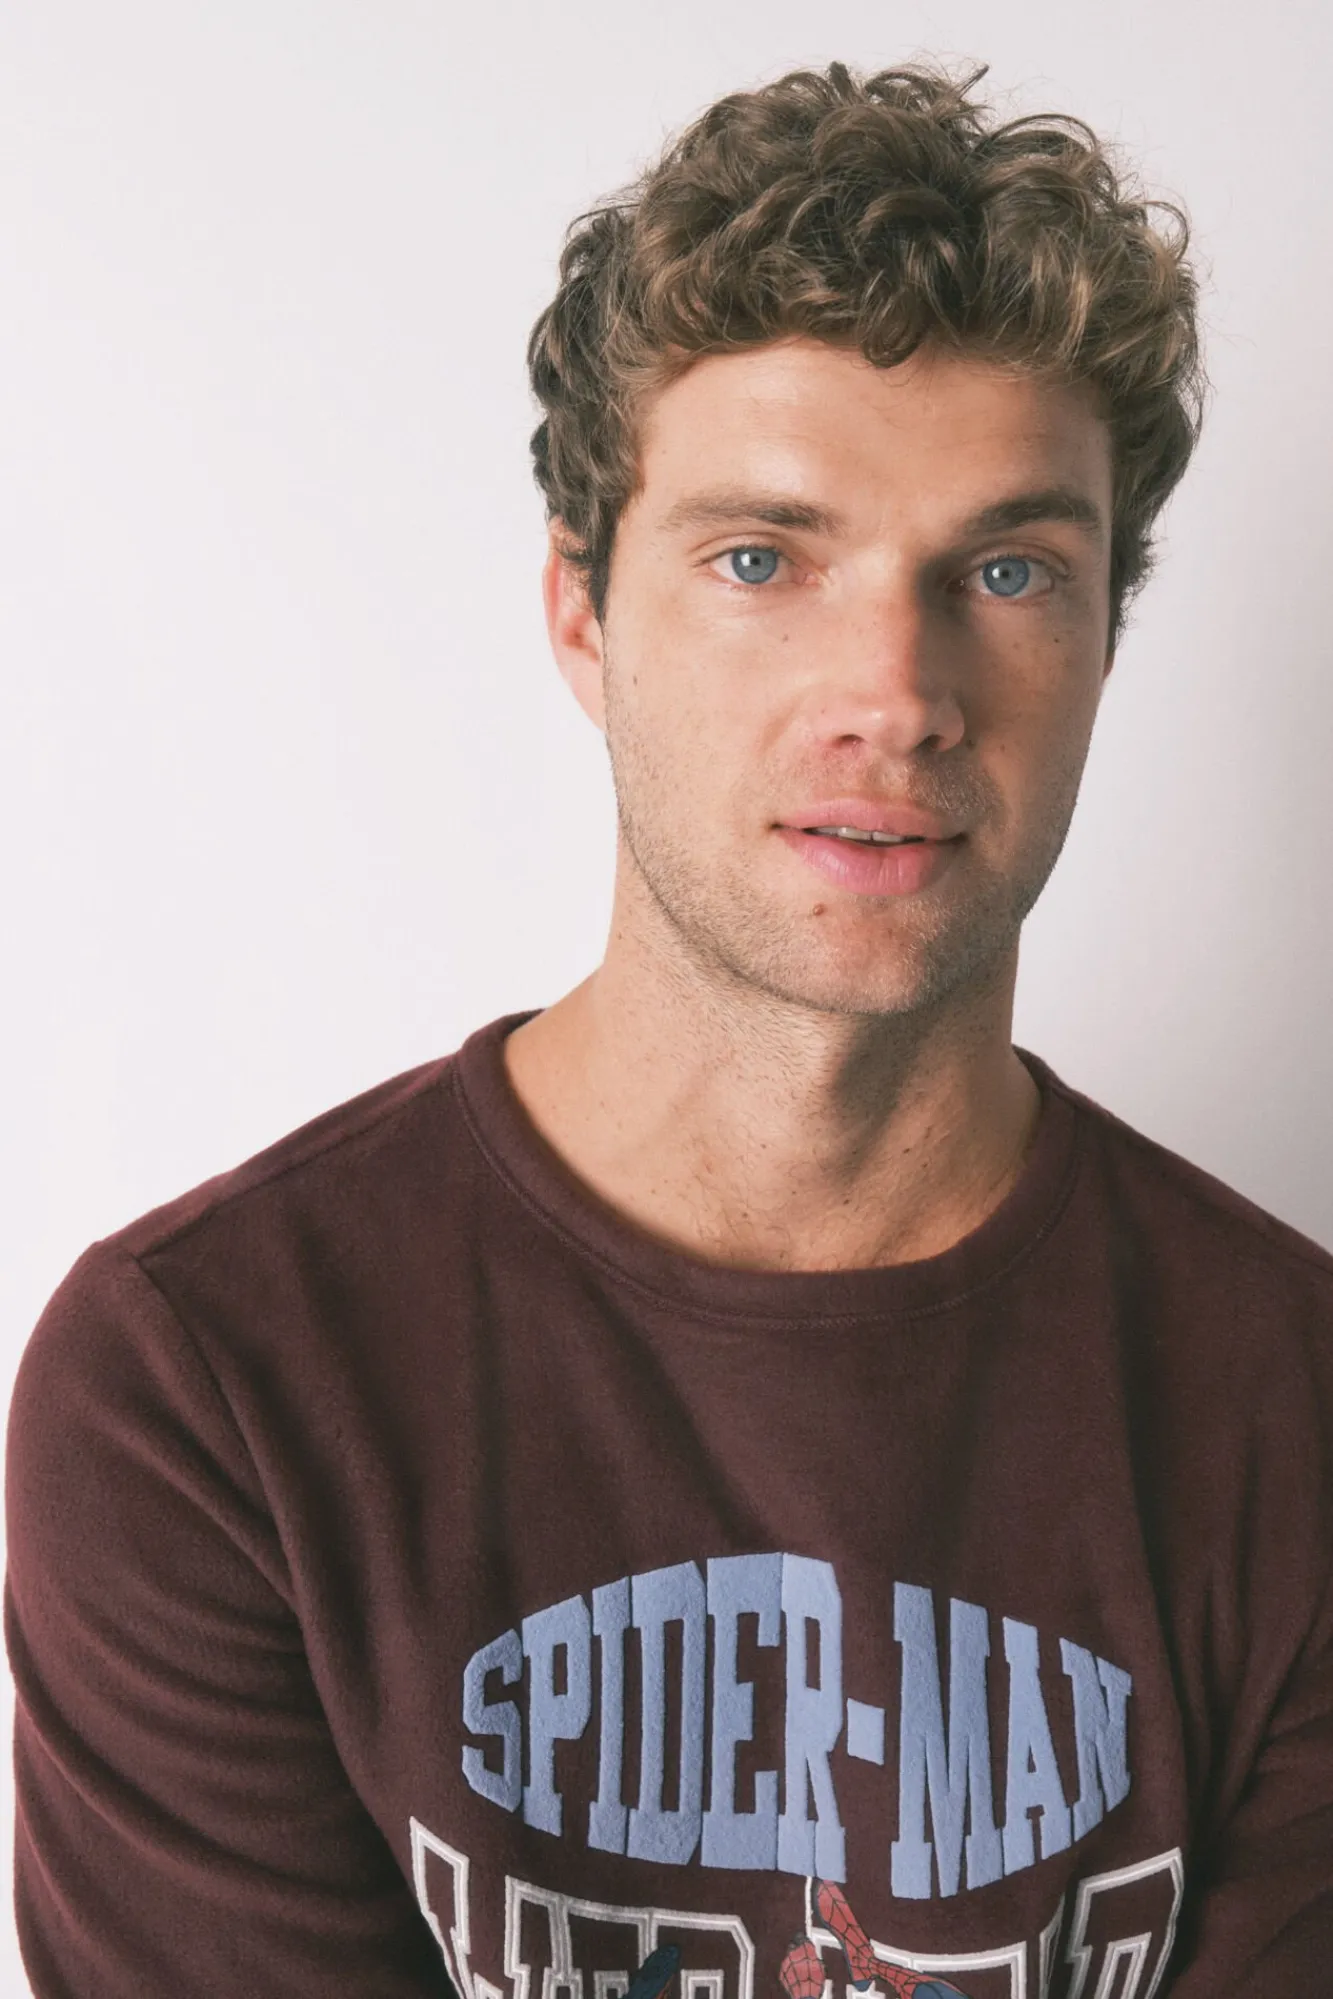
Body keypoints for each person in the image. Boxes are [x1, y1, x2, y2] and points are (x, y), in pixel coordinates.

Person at [7, 53, 1332, 1999]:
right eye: (760, 560)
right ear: (583, 614)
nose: (894, 690)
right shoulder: (211, 1393)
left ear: (1104, 640)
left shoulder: (1294, 1412)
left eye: (1006, 569)